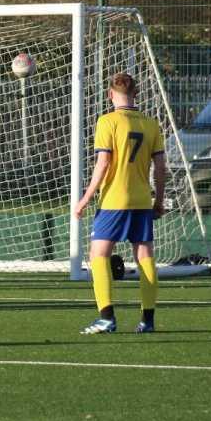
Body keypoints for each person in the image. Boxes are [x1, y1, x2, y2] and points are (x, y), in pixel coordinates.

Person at [73, 73, 166, 334]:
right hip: (141, 199)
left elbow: (103, 164)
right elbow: (160, 167)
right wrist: (158, 200)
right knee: (145, 256)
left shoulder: (107, 121)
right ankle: (147, 321)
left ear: (110, 95)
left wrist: (85, 198)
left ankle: (106, 318)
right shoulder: (151, 124)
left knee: (98, 254)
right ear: (136, 94)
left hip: (114, 199)